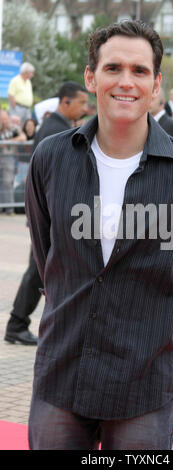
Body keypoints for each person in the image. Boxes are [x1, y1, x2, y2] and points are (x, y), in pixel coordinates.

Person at [25, 20, 173, 450]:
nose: (125, 81)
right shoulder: (51, 158)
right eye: (113, 67)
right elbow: (47, 257)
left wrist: (163, 323)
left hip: (145, 381)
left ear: (156, 85)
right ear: (91, 76)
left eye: (139, 71)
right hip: (62, 372)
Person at [4, 81, 89, 346]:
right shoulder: (56, 130)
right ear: (66, 102)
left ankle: (23, 324)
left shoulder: (58, 127)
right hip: (50, 213)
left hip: (50, 212)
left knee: (44, 270)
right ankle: (17, 323)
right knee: (39, 270)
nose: (85, 109)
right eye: (81, 103)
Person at [0, 110, 26, 215]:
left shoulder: (13, 128)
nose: (4, 121)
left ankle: (9, 209)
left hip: (7, 158)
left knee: (7, 182)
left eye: (5, 119)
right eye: (2, 119)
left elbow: (23, 137)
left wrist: (10, 141)